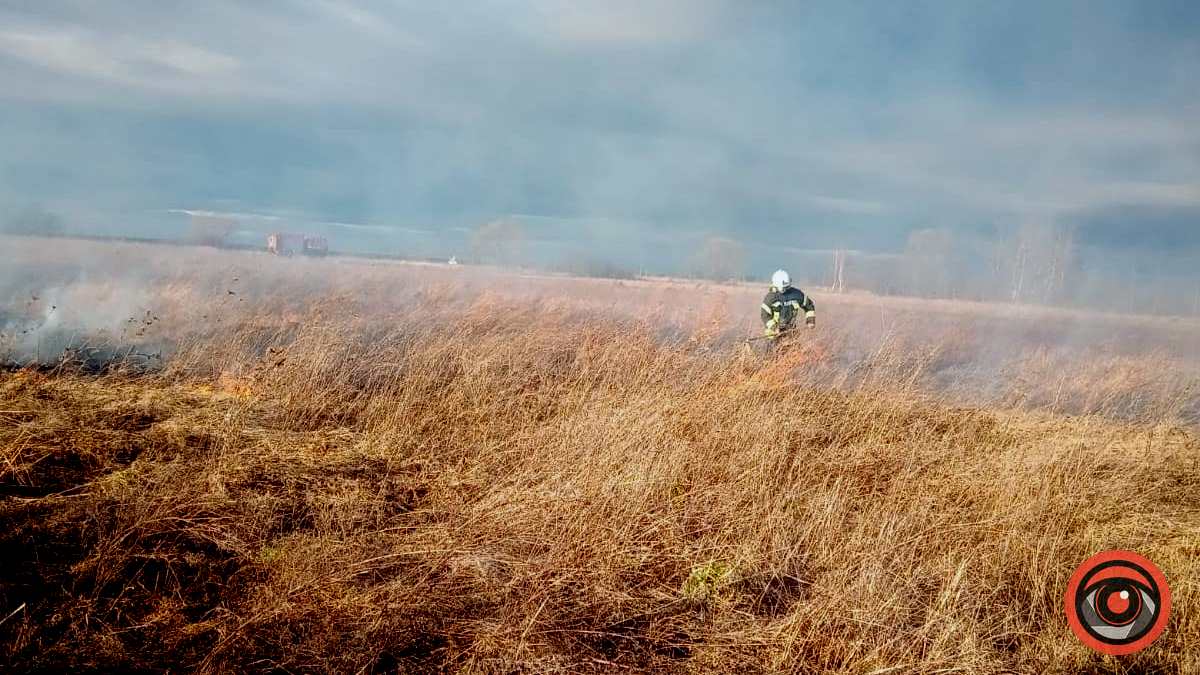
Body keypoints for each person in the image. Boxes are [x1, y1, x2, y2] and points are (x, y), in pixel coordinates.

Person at [760, 269, 815, 341]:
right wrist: (775, 327)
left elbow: (809, 306)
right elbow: (765, 316)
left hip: (791, 333)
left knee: (796, 351)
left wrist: (810, 321)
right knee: (774, 352)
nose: (786, 288)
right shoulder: (770, 298)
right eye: (784, 287)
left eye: (787, 286)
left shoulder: (796, 294)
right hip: (773, 335)